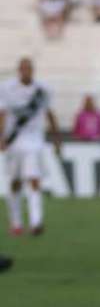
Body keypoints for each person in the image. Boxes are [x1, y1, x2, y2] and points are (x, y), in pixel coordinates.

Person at [0, 58, 62, 236]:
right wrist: (2, 138)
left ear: (32, 70)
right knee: (15, 183)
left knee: (34, 180)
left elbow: (50, 114)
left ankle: (36, 222)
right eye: (23, 68)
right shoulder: (6, 88)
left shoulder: (42, 90)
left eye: (29, 68)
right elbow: (2, 114)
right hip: (13, 142)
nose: (26, 71)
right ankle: (16, 222)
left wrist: (57, 138)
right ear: (19, 70)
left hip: (34, 141)